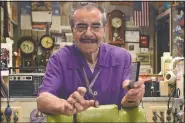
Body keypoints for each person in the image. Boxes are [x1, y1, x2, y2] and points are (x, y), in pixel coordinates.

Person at [37, 2, 145, 116]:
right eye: (81, 26)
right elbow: (42, 99)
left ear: (104, 30)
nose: (88, 33)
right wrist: (63, 106)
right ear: (72, 30)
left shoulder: (122, 57)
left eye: (96, 26)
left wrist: (133, 97)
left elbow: (128, 101)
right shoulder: (59, 59)